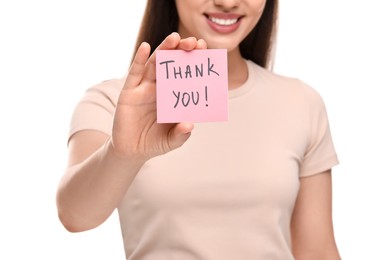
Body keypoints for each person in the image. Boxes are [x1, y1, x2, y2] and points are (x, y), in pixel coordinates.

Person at [56, 0, 341, 259]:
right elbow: (74, 215)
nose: (227, 3)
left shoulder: (301, 102)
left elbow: (317, 251)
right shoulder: (115, 102)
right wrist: (122, 154)